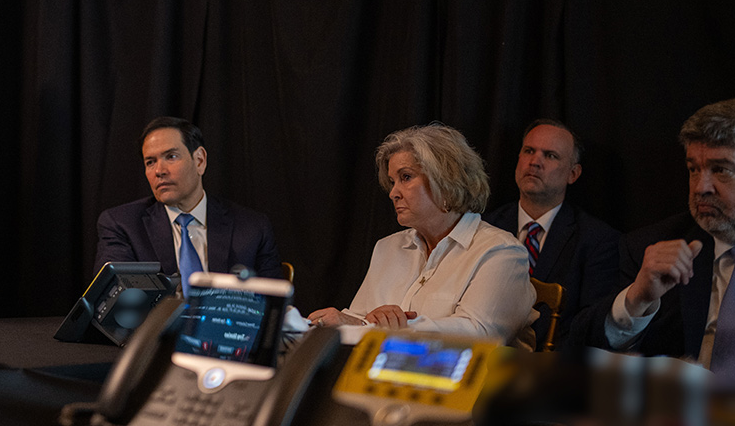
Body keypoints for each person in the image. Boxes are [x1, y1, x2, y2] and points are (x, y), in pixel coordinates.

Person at [309, 123, 534, 341]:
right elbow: (360, 318)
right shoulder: (387, 247)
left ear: (446, 180)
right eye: (392, 181)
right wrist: (341, 321)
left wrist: (387, 327)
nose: (393, 193)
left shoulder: (501, 252)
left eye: (405, 177)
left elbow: (477, 333)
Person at [568, 99, 735, 371]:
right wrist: (637, 300)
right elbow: (583, 348)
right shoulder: (653, 246)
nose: (701, 187)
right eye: (693, 169)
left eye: (720, 170)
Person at [93, 117, 283, 291]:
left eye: (171, 157)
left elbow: (273, 305)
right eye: (150, 162)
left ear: (200, 160)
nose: (159, 170)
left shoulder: (253, 227)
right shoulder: (122, 224)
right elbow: (115, 302)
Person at [482, 119, 620, 341]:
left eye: (550, 155)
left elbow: (591, 328)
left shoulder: (597, 241)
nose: (535, 162)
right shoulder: (485, 227)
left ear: (573, 174)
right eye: (529, 151)